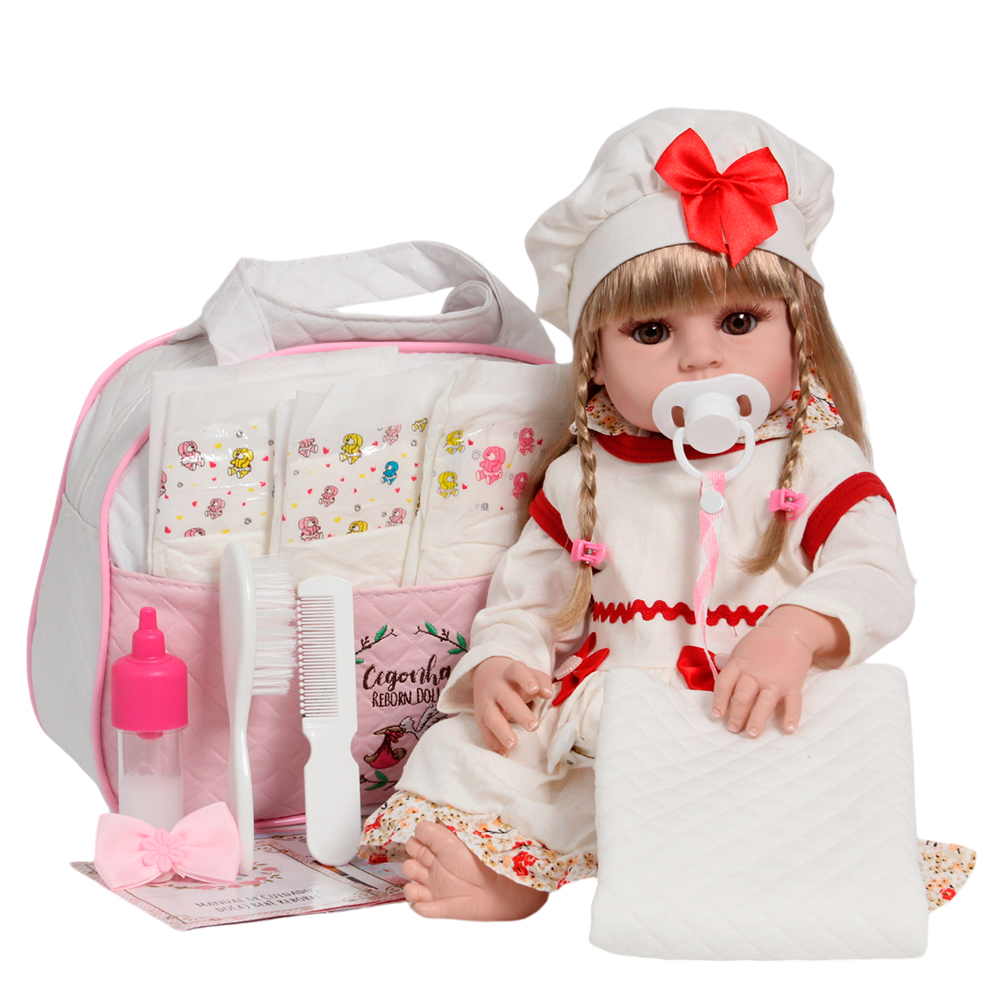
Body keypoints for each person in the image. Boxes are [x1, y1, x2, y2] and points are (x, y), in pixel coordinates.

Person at [358, 109, 916, 920]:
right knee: (470, 747)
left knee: (786, 777)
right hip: (606, 717)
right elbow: (528, 598)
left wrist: (798, 632)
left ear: (800, 332)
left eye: (740, 321)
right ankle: (510, 873)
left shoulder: (819, 462)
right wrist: (503, 661)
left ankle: (724, 870)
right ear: (594, 363)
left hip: (748, 711)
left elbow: (878, 576)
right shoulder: (584, 475)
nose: (700, 356)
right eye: (652, 331)